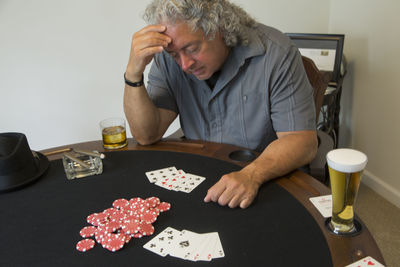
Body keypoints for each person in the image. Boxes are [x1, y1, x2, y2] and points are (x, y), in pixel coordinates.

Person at [123, 0, 318, 209]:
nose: (185, 65)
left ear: (221, 28)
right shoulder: (168, 59)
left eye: (192, 48)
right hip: (201, 181)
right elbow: (147, 135)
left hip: (267, 179)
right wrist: (133, 73)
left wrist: (252, 175)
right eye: (174, 54)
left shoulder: (277, 53)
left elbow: (302, 142)